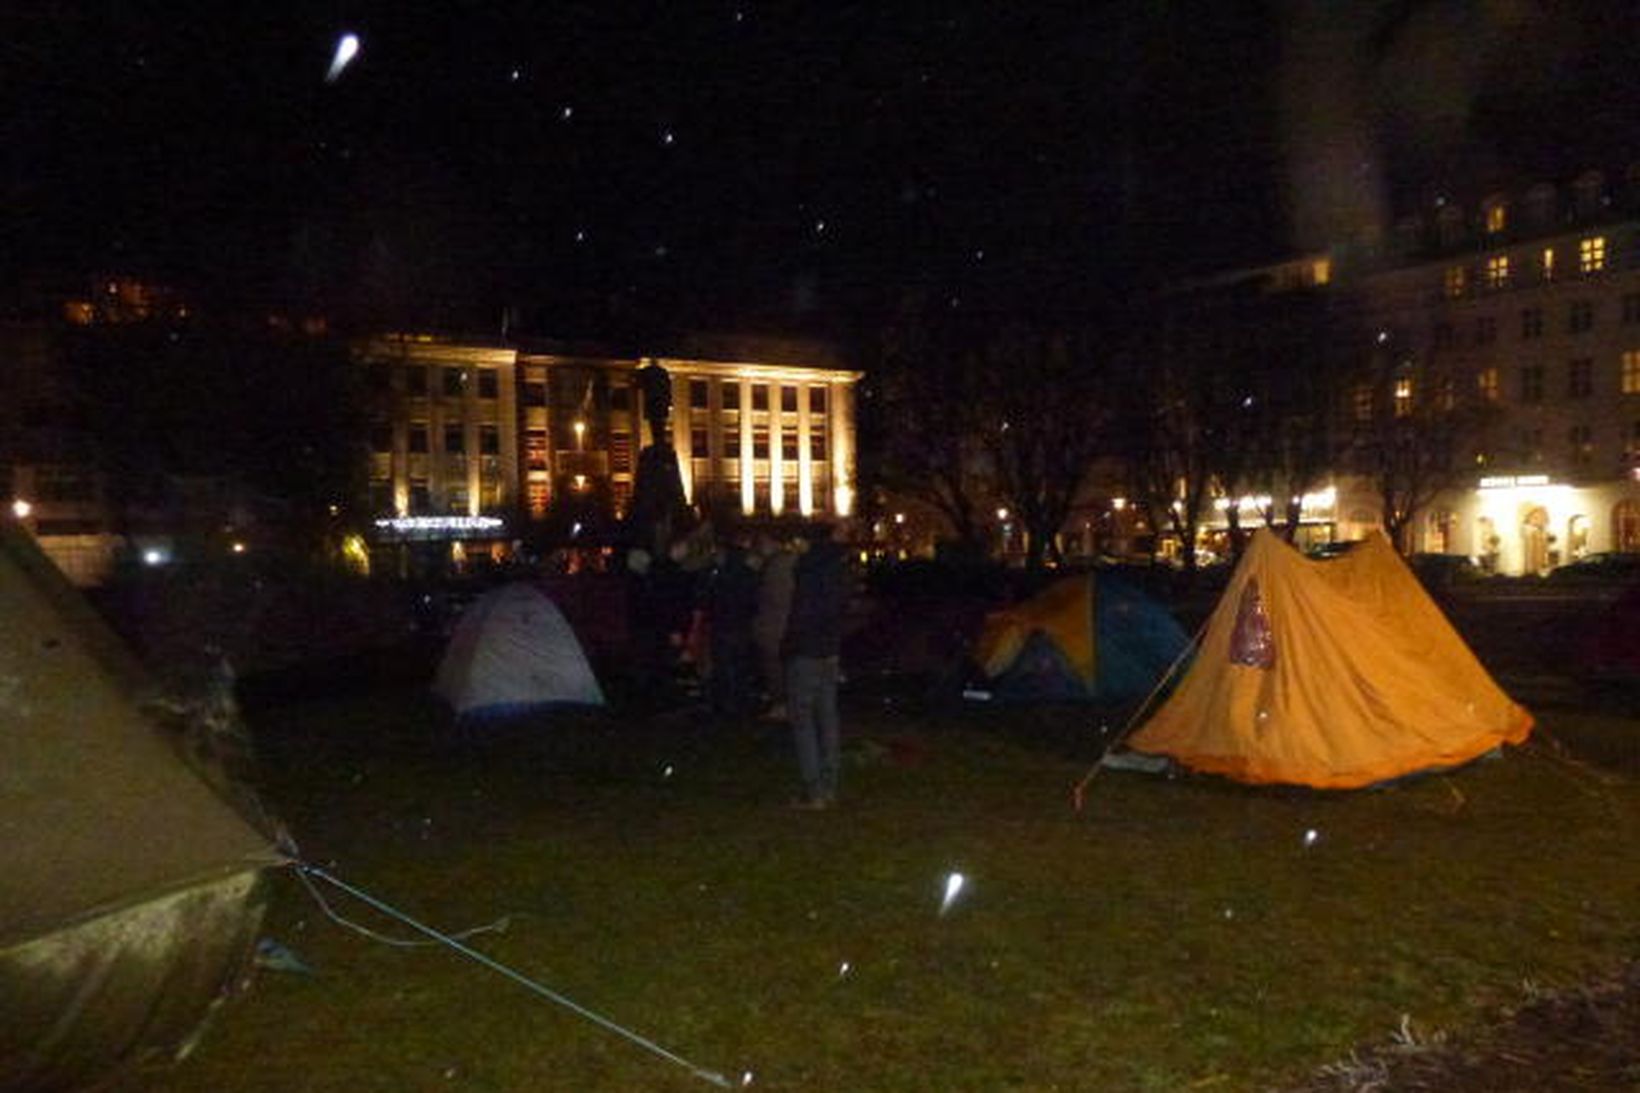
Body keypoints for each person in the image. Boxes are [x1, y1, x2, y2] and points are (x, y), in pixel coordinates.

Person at [782, 523, 846, 809]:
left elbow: (801, 614)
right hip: (829, 650)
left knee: (804, 719)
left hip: (807, 651)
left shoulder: (808, 568)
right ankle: (829, 784)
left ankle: (814, 788)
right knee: (827, 716)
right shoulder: (837, 567)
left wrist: (791, 646)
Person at [751, 532, 796, 719]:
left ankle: (782, 704)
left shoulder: (775, 567)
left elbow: (769, 598)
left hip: (775, 626)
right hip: (785, 625)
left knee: (775, 667)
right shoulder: (790, 564)